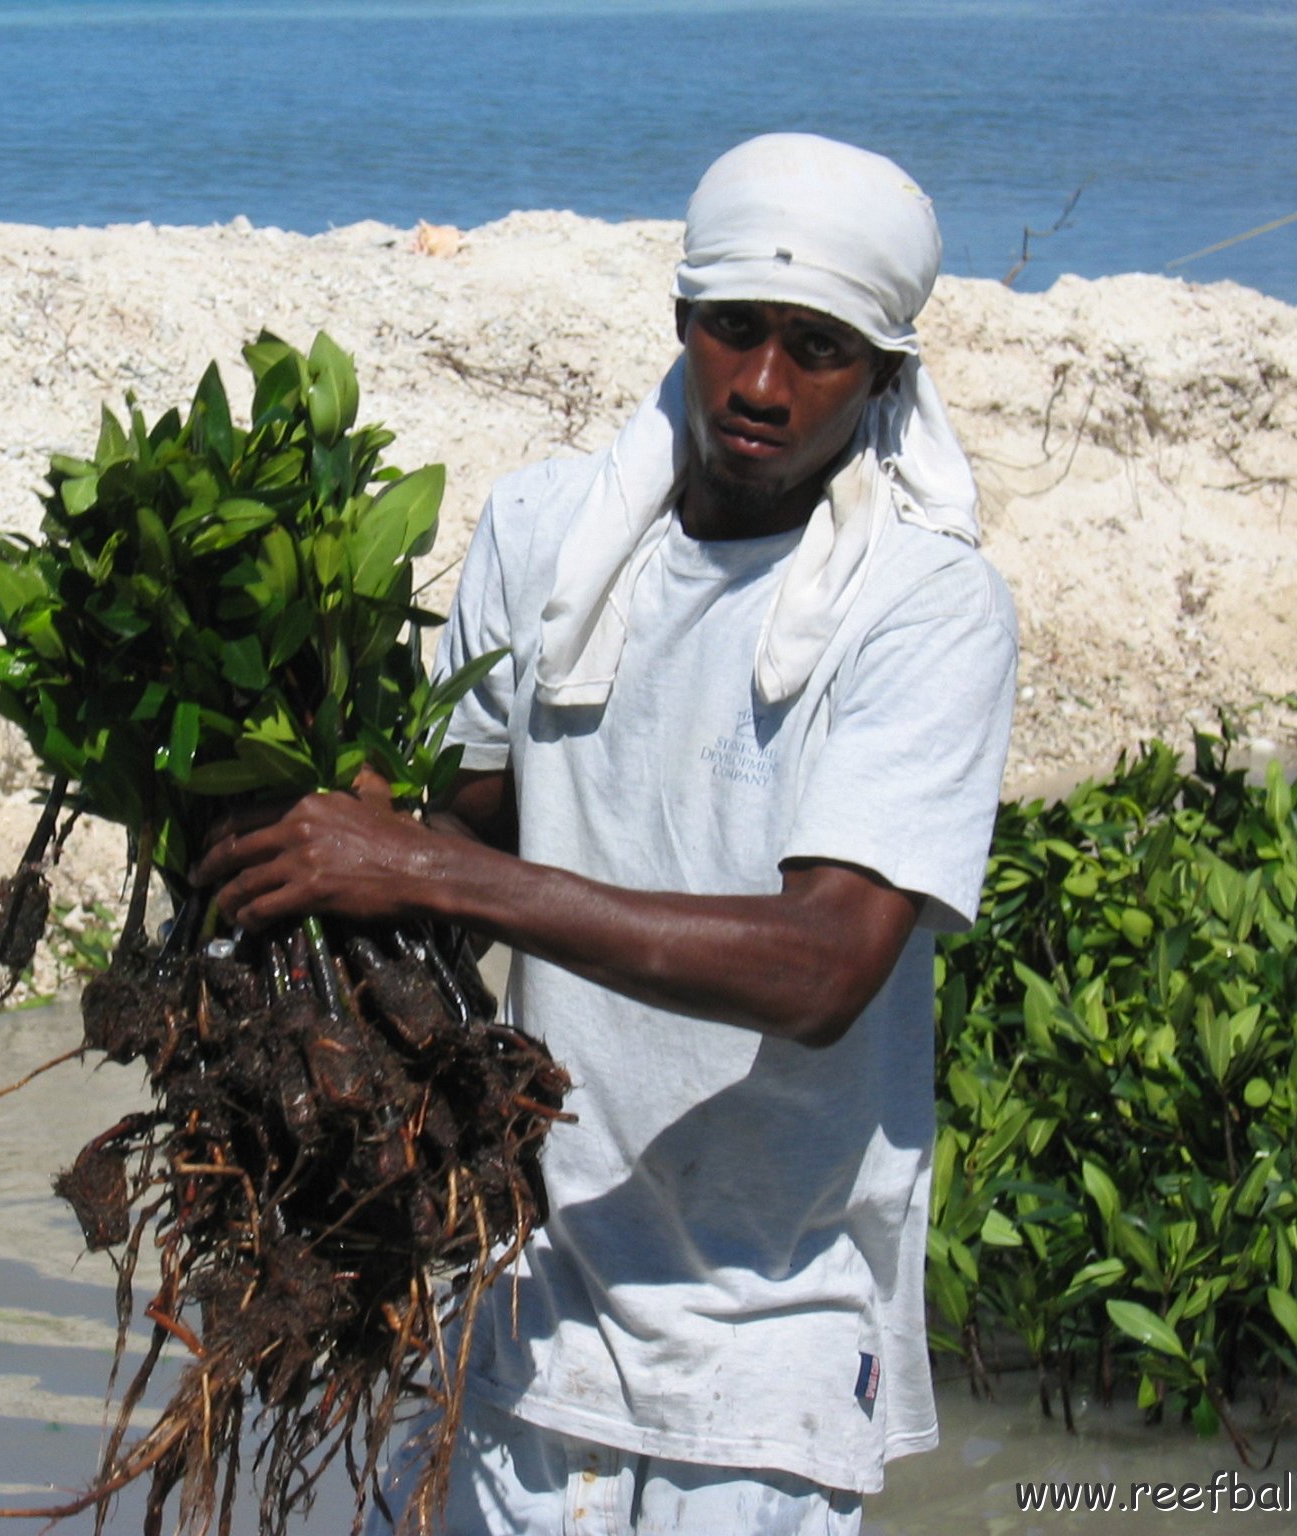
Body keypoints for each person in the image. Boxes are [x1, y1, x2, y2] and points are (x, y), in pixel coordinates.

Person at [196, 134, 1018, 1535]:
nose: (763, 384)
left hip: (770, 1349)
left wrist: (439, 867)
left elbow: (824, 967)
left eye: (816, 349)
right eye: (734, 331)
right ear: (680, 322)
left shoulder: (927, 608)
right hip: (517, 1296)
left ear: (886, 375)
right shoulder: (544, 534)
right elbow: (444, 882)